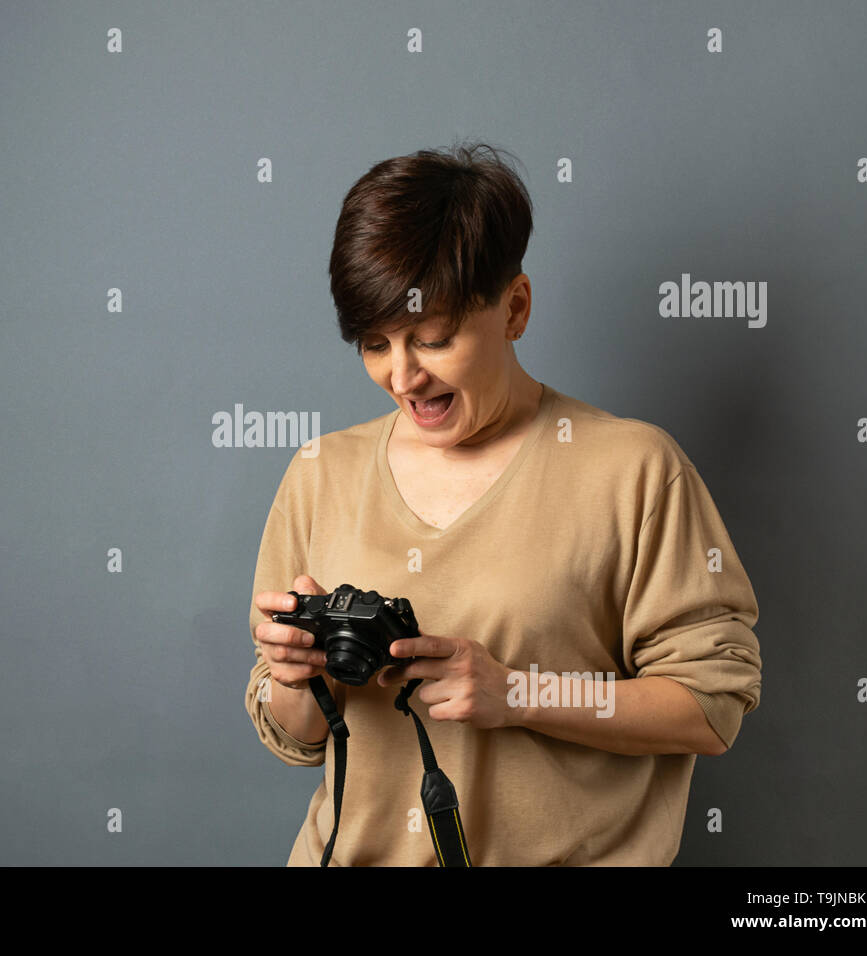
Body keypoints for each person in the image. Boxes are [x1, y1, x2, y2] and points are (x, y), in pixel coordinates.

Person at [244, 141, 763, 866]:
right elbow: (298, 738)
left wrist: (517, 693)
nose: (403, 376)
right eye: (374, 344)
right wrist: (298, 674)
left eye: (433, 339)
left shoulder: (634, 470)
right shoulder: (320, 472)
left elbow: (711, 709)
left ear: (514, 307)